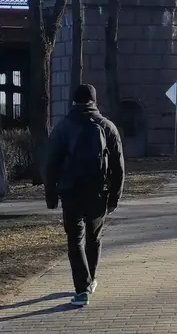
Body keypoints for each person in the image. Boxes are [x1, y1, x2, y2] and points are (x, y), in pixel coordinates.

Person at [45, 84, 125, 307]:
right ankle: (92, 279)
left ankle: (82, 289)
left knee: (75, 241)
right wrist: (115, 198)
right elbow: (118, 167)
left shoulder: (63, 127)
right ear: (94, 101)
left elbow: (51, 164)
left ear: (74, 101)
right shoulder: (107, 127)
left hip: (71, 193)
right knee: (94, 238)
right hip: (98, 192)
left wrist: (51, 195)